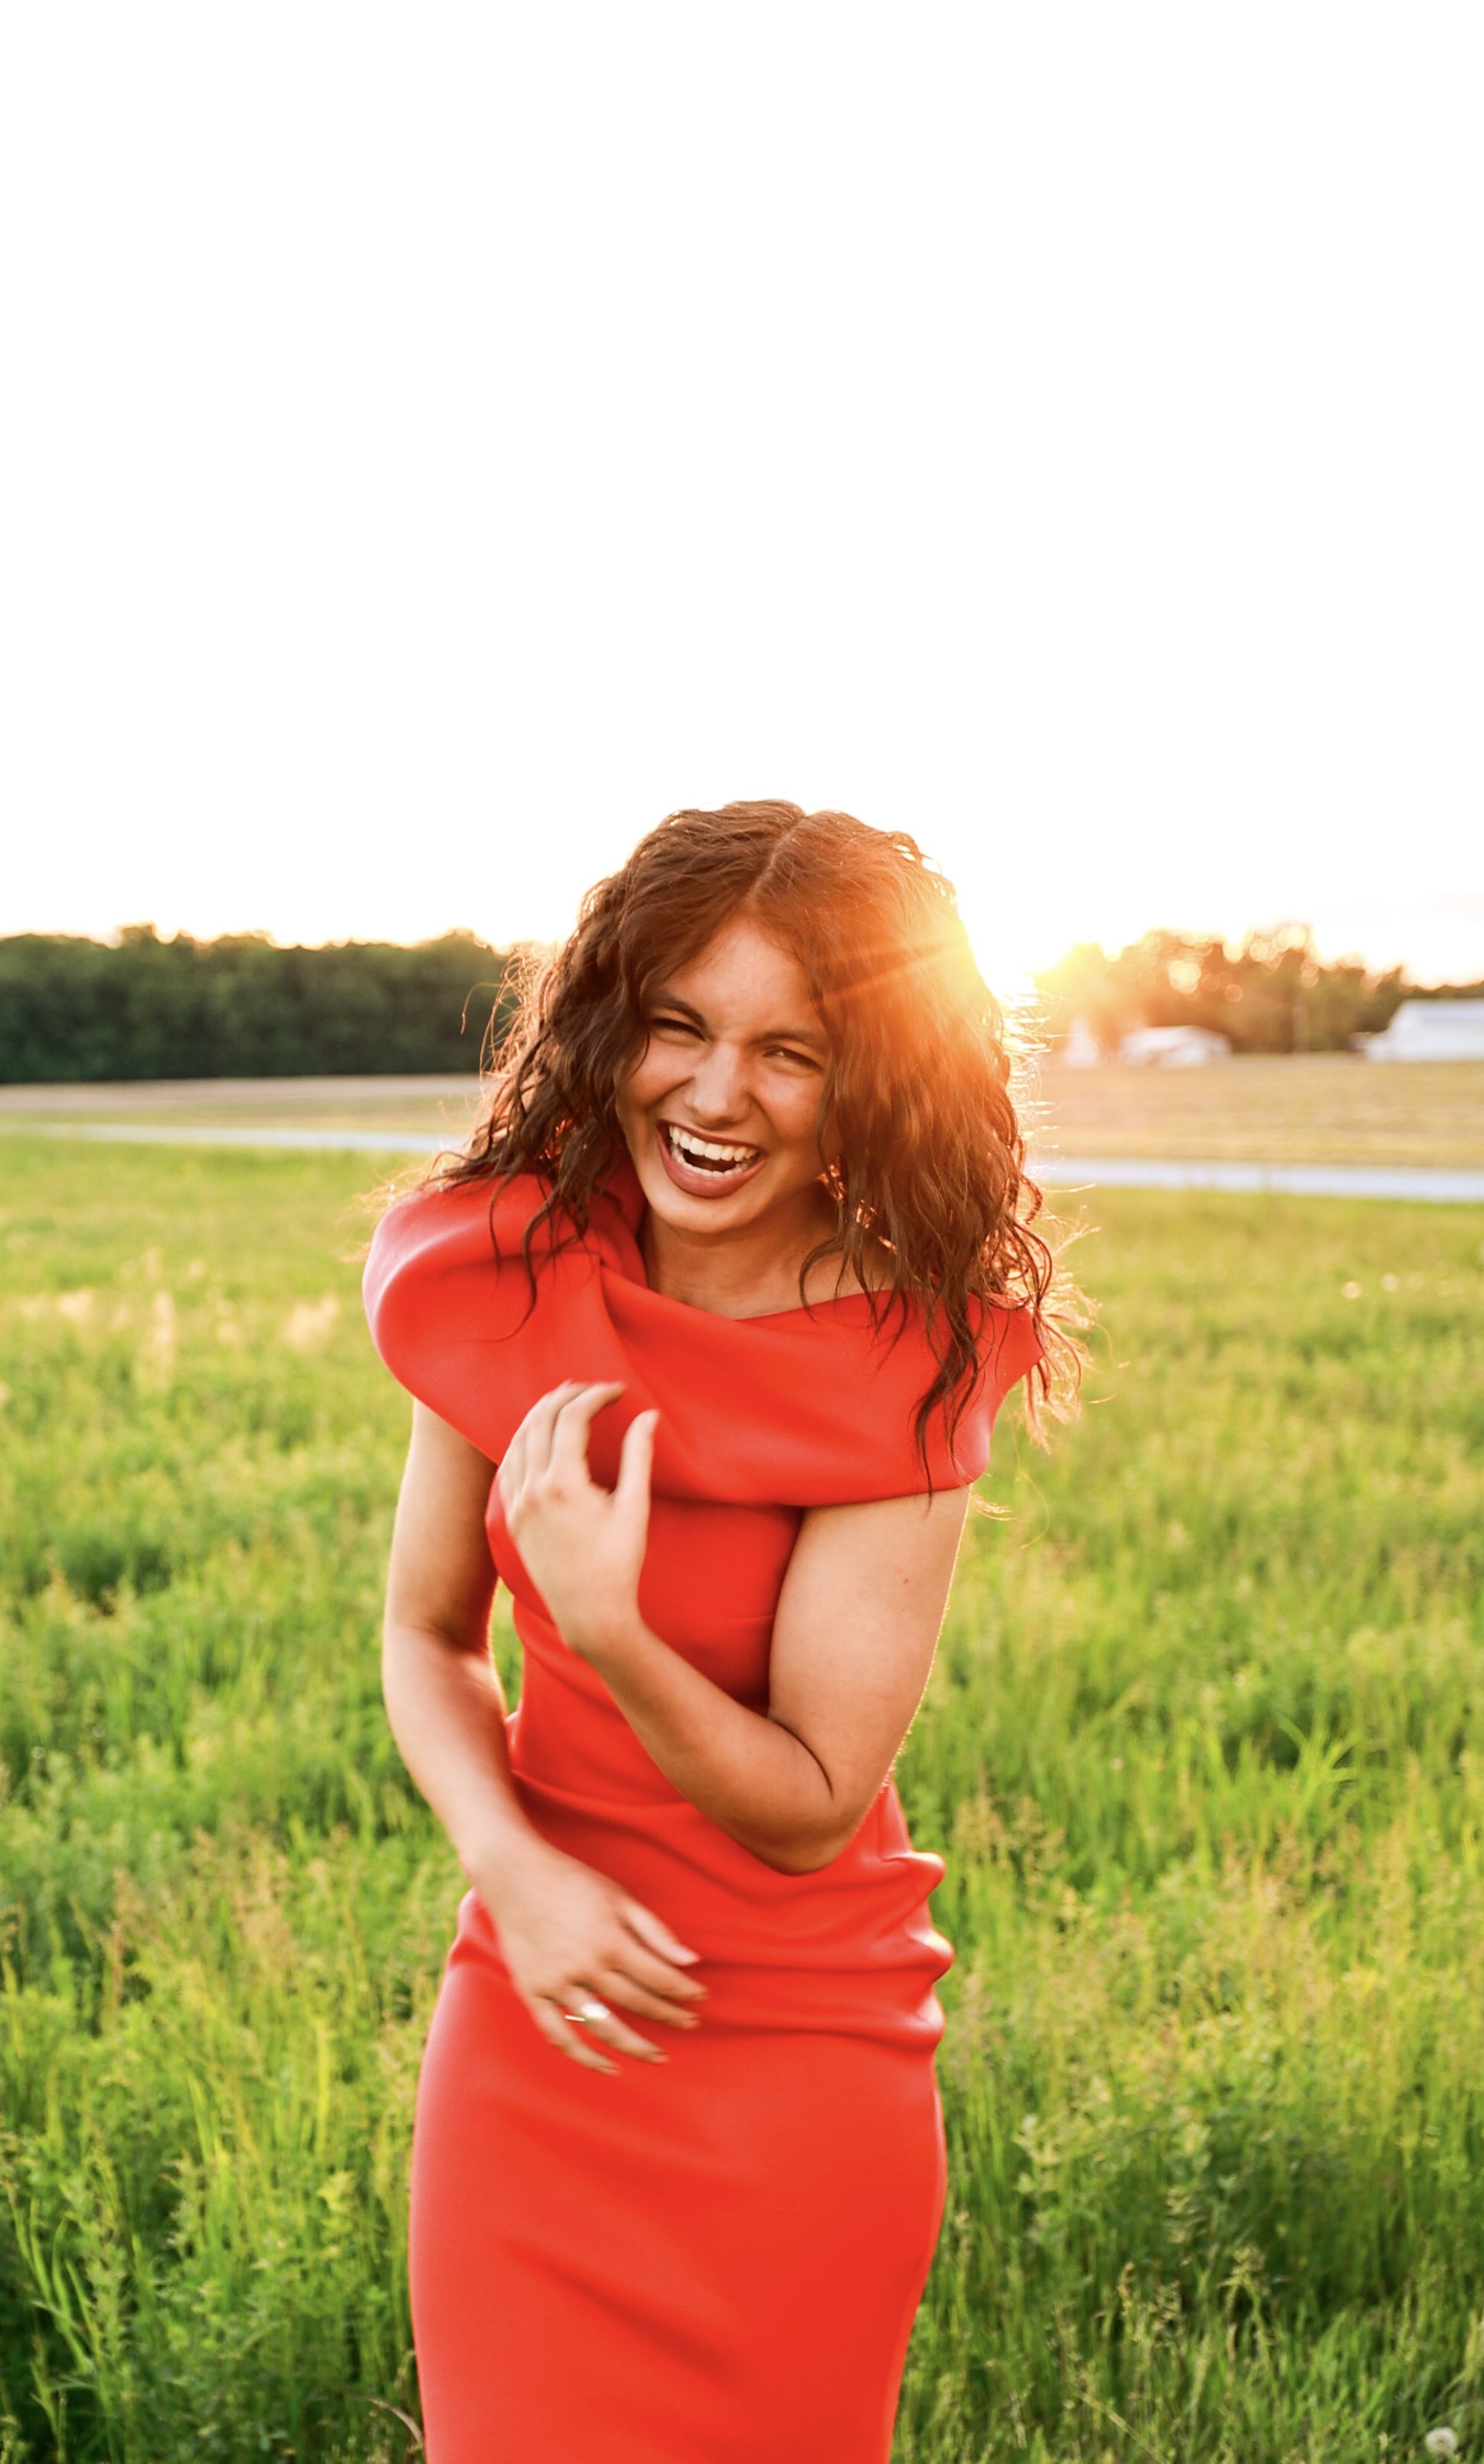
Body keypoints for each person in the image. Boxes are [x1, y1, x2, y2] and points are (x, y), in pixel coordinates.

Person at [368, 802, 1076, 2464]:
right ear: (611, 1031)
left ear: (867, 1087)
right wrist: (513, 1871)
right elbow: (425, 1635)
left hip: (793, 2051)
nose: (710, 1093)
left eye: (787, 1052)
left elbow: (812, 1797)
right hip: (538, 2022)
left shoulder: (905, 1362)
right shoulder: (510, 1272)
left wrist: (613, 1635)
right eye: (677, 1028)